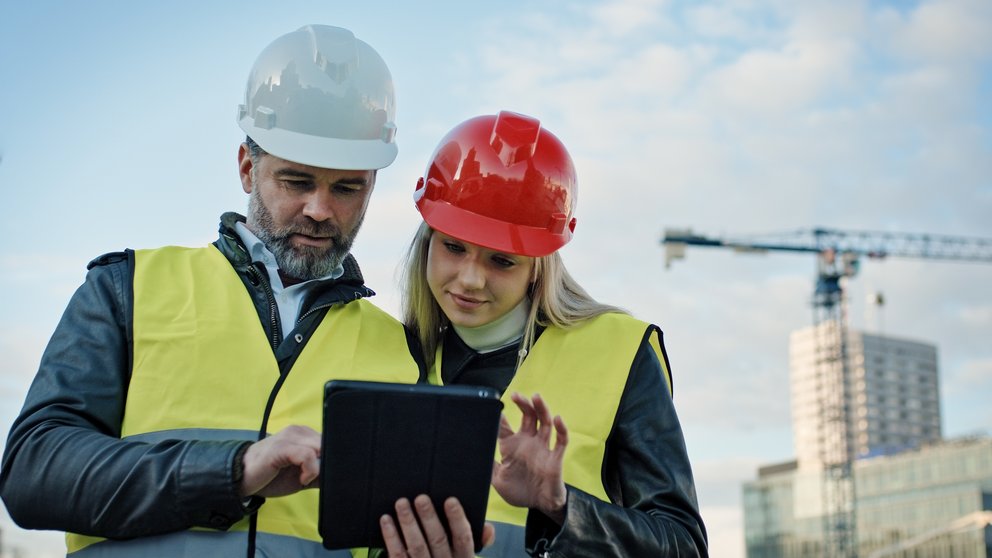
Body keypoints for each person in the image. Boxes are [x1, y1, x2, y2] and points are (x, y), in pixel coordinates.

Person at [0, 25, 426, 557]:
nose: (320, 210)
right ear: (248, 168)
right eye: (296, 181)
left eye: (346, 188)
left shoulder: (402, 351)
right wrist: (233, 470)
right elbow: (34, 472)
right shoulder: (125, 289)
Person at [386, 111, 709, 557]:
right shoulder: (394, 355)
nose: (470, 280)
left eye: (502, 261)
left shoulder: (618, 353)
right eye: (453, 247)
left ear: (540, 266)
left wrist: (560, 507)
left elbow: (683, 546)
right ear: (427, 240)